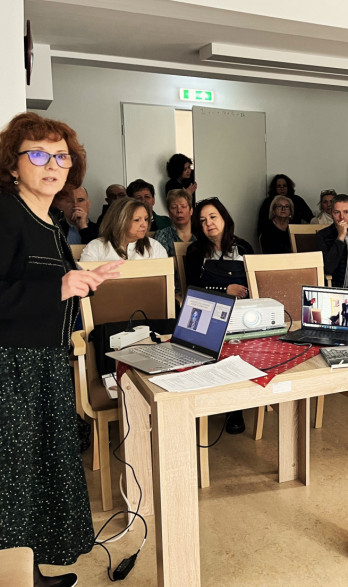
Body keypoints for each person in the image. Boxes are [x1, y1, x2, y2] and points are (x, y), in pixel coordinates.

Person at [0, 111, 122, 587]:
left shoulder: (49, 219)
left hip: (43, 363)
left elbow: (42, 286)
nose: (52, 165)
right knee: (13, 479)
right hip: (11, 367)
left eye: (61, 156)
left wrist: (79, 282)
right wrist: (60, 287)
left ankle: (27, 573)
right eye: (37, 155)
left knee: (31, 479)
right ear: (12, 165)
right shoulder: (5, 213)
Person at [186, 197, 254, 434]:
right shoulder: (195, 251)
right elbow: (192, 289)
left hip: (241, 311)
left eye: (213, 217)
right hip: (206, 310)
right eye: (203, 220)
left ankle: (236, 406)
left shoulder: (243, 248)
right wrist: (224, 290)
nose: (209, 224)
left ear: (224, 218)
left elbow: (255, 284)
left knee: (241, 342)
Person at [80, 197, 168, 261]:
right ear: (119, 221)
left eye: (146, 219)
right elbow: (85, 278)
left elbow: (166, 278)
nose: (144, 224)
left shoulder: (155, 247)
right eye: (137, 220)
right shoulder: (96, 247)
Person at [154, 188, 195, 256]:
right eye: (174, 207)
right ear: (169, 212)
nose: (179, 211)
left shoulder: (200, 234)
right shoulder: (163, 235)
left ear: (191, 210)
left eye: (183, 206)